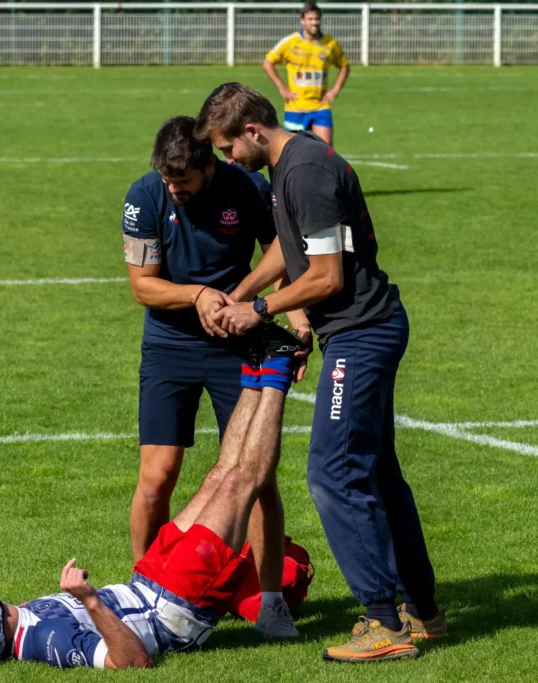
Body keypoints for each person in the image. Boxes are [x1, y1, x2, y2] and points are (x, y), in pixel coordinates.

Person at [196, 82, 446, 663]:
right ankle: (422, 611)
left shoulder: (304, 172)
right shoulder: (291, 163)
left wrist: (259, 310)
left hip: (362, 334)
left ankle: (384, 622)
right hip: (360, 330)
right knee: (378, 473)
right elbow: (292, 249)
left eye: (228, 148)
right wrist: (239, 294)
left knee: (333, 473)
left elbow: (327, 276)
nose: (227, 160)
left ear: (252, 131)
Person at [0, 335, 313, 669]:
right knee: (239, 483)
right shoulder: (47, 641)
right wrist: (90, 601)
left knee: (220, 475)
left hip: (149, 581)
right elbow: (132, 662)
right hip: (174, 607)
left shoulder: (14, 622)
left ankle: (256, 363)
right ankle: (278, 366)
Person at [120, 116, 310, 637]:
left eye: (182, 181)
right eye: (167, 181)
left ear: (208, 166)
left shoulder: (247, 188)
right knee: (157, 477)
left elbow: (283, 255)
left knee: (257, 477)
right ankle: (143, 591)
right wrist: (198, 294)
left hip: (238, 345)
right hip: (170, 348)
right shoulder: (144, 196)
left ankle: (272, 602)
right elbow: (142, 286)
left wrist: (295, 319)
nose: (173, 190)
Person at [262, 2, 349, 146]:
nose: (314, 22)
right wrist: (282, 87)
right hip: (296, 105)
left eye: (317, 19)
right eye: (310, 19)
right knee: (293, 149)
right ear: (302, 21)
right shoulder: (290, 42)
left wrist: (334, 91)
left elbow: (344, 66)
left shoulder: (330, 44)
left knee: (326, 147)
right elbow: (267, 63)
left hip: (320, 105)